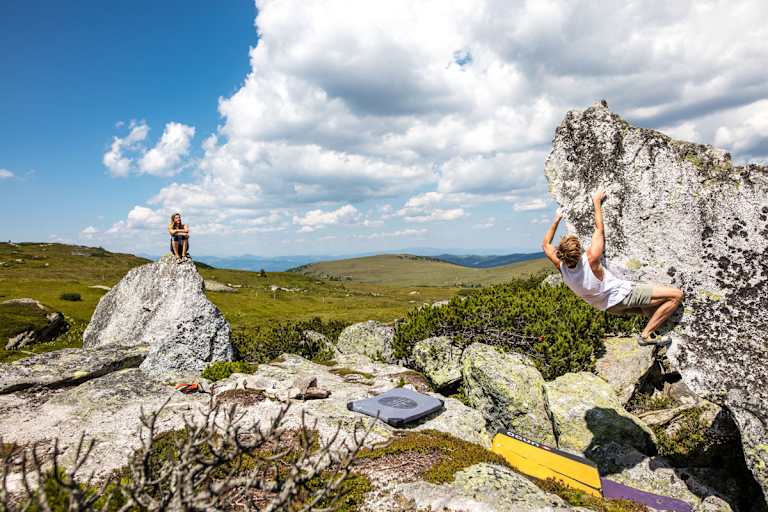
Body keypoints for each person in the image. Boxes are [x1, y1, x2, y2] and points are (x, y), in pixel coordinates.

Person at [541, 191, 683, 346]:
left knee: (649, 309)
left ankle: (659, 332)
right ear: (578, 252)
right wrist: (596, 201)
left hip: (609, 307)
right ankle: (646, 335)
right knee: (676, 295)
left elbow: (546, 244)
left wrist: (556, 219)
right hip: (622, 295)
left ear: (560, 254)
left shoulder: (561, 267)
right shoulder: (591, 259)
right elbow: (599, 229)